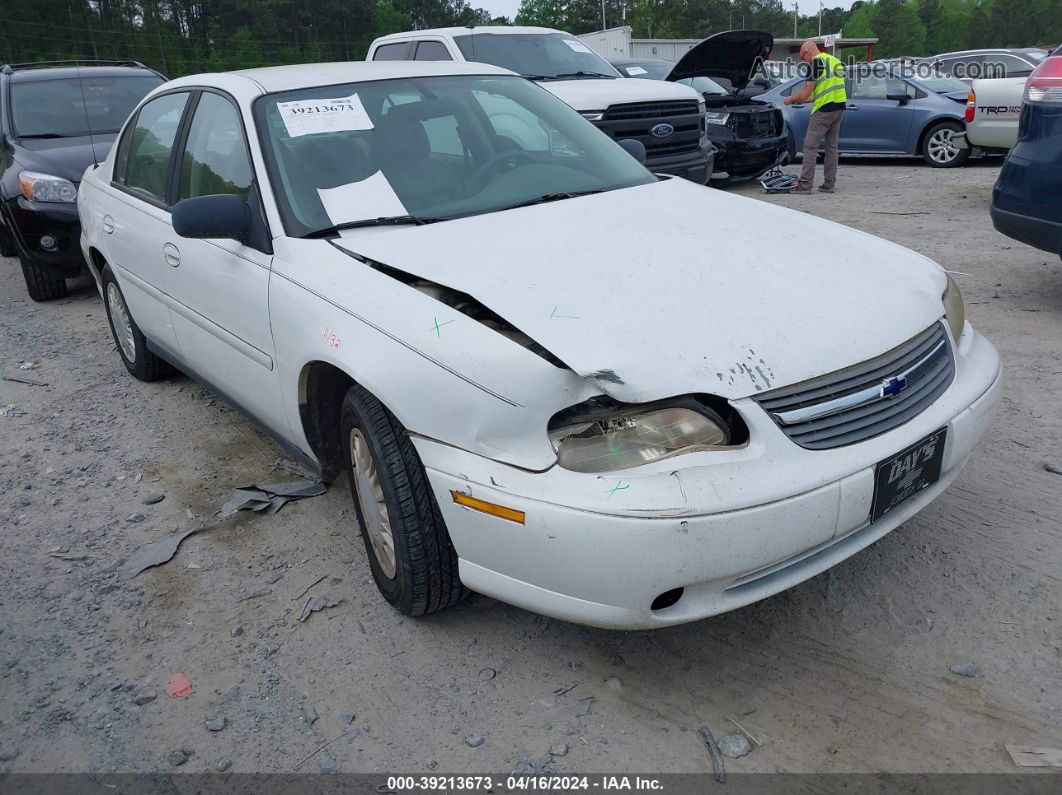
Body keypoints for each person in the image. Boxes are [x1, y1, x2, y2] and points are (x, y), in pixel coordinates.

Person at [784, 41, 848, 194]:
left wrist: (791, 99)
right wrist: (799, 99)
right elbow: (817, 94)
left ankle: (805, 185)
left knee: (810, 146)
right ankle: (829, 184)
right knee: (832, 147)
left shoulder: (815, 63)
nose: (804, 61)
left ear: (807, 52)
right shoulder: (834, 61)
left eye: (802, 58)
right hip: (838, 108)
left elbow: (806, 92)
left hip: (823, 111)